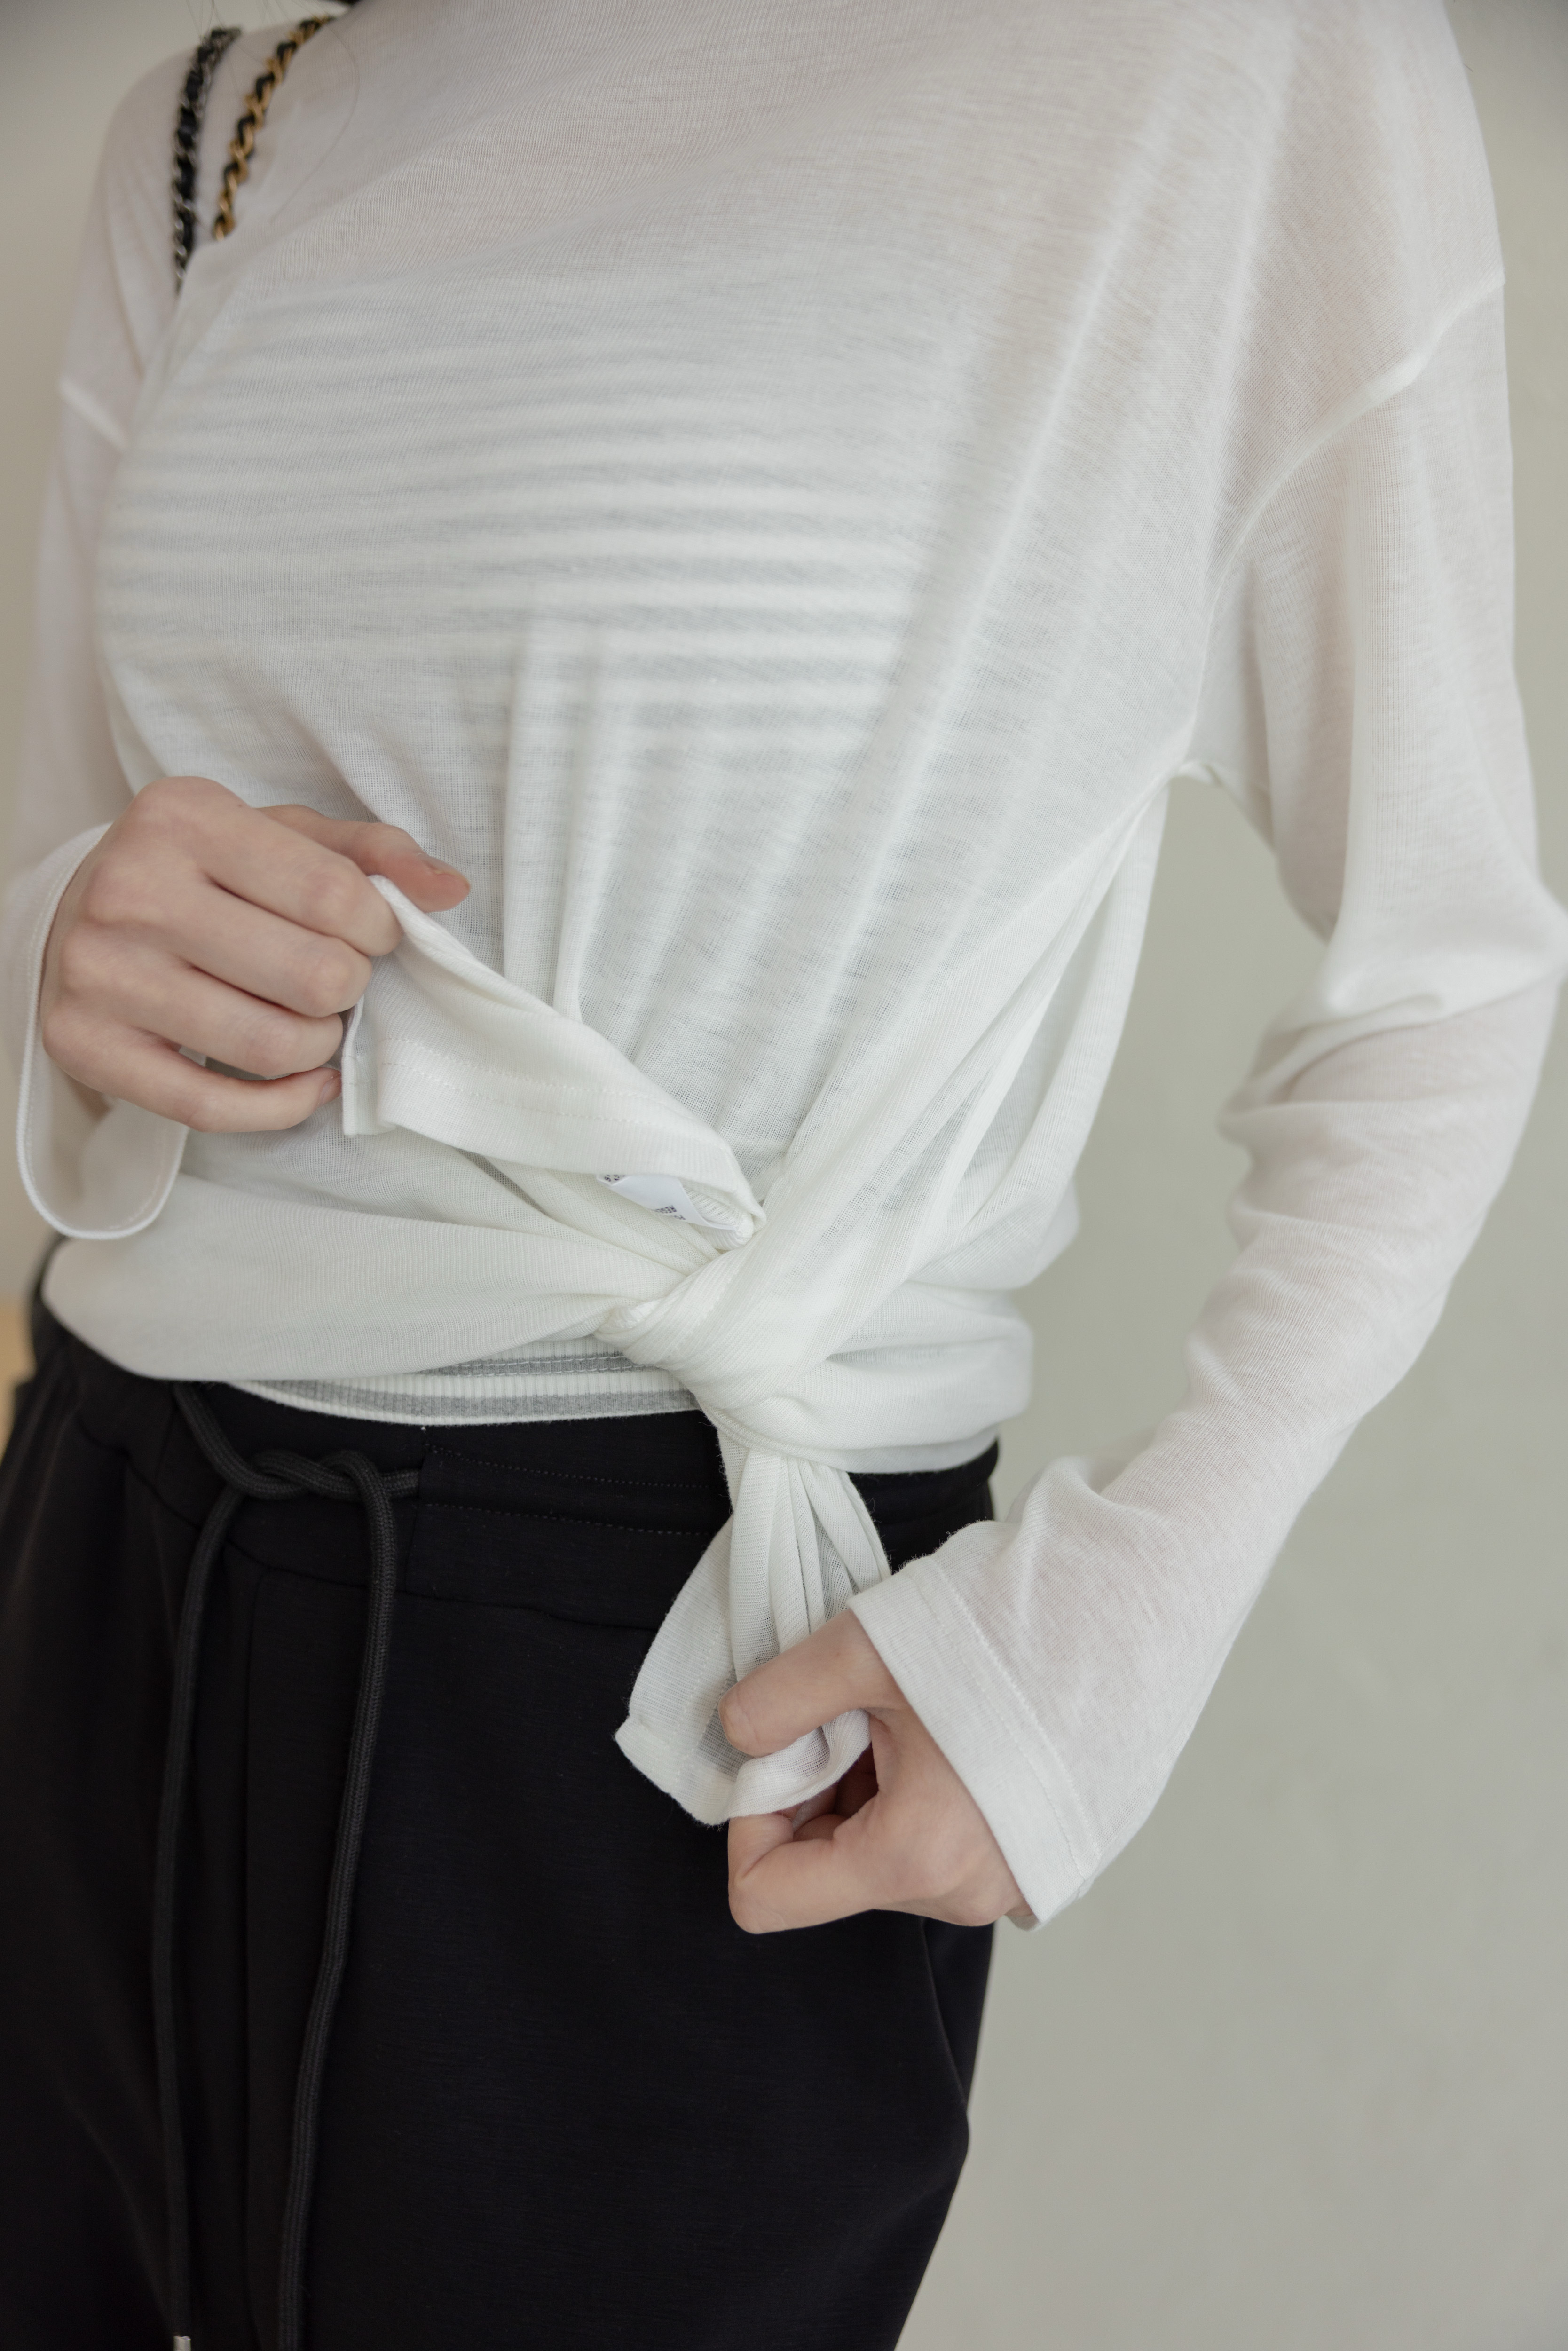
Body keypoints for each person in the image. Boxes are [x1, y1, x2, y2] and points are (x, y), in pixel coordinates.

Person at [1, 2, 1563, 2346]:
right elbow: (63, 850)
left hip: (671, 1640)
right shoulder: (227, 119)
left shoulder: (1233, 66)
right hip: (99, 1545)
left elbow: (1447, 969)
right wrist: (64, 934)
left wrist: (1115, 1635)